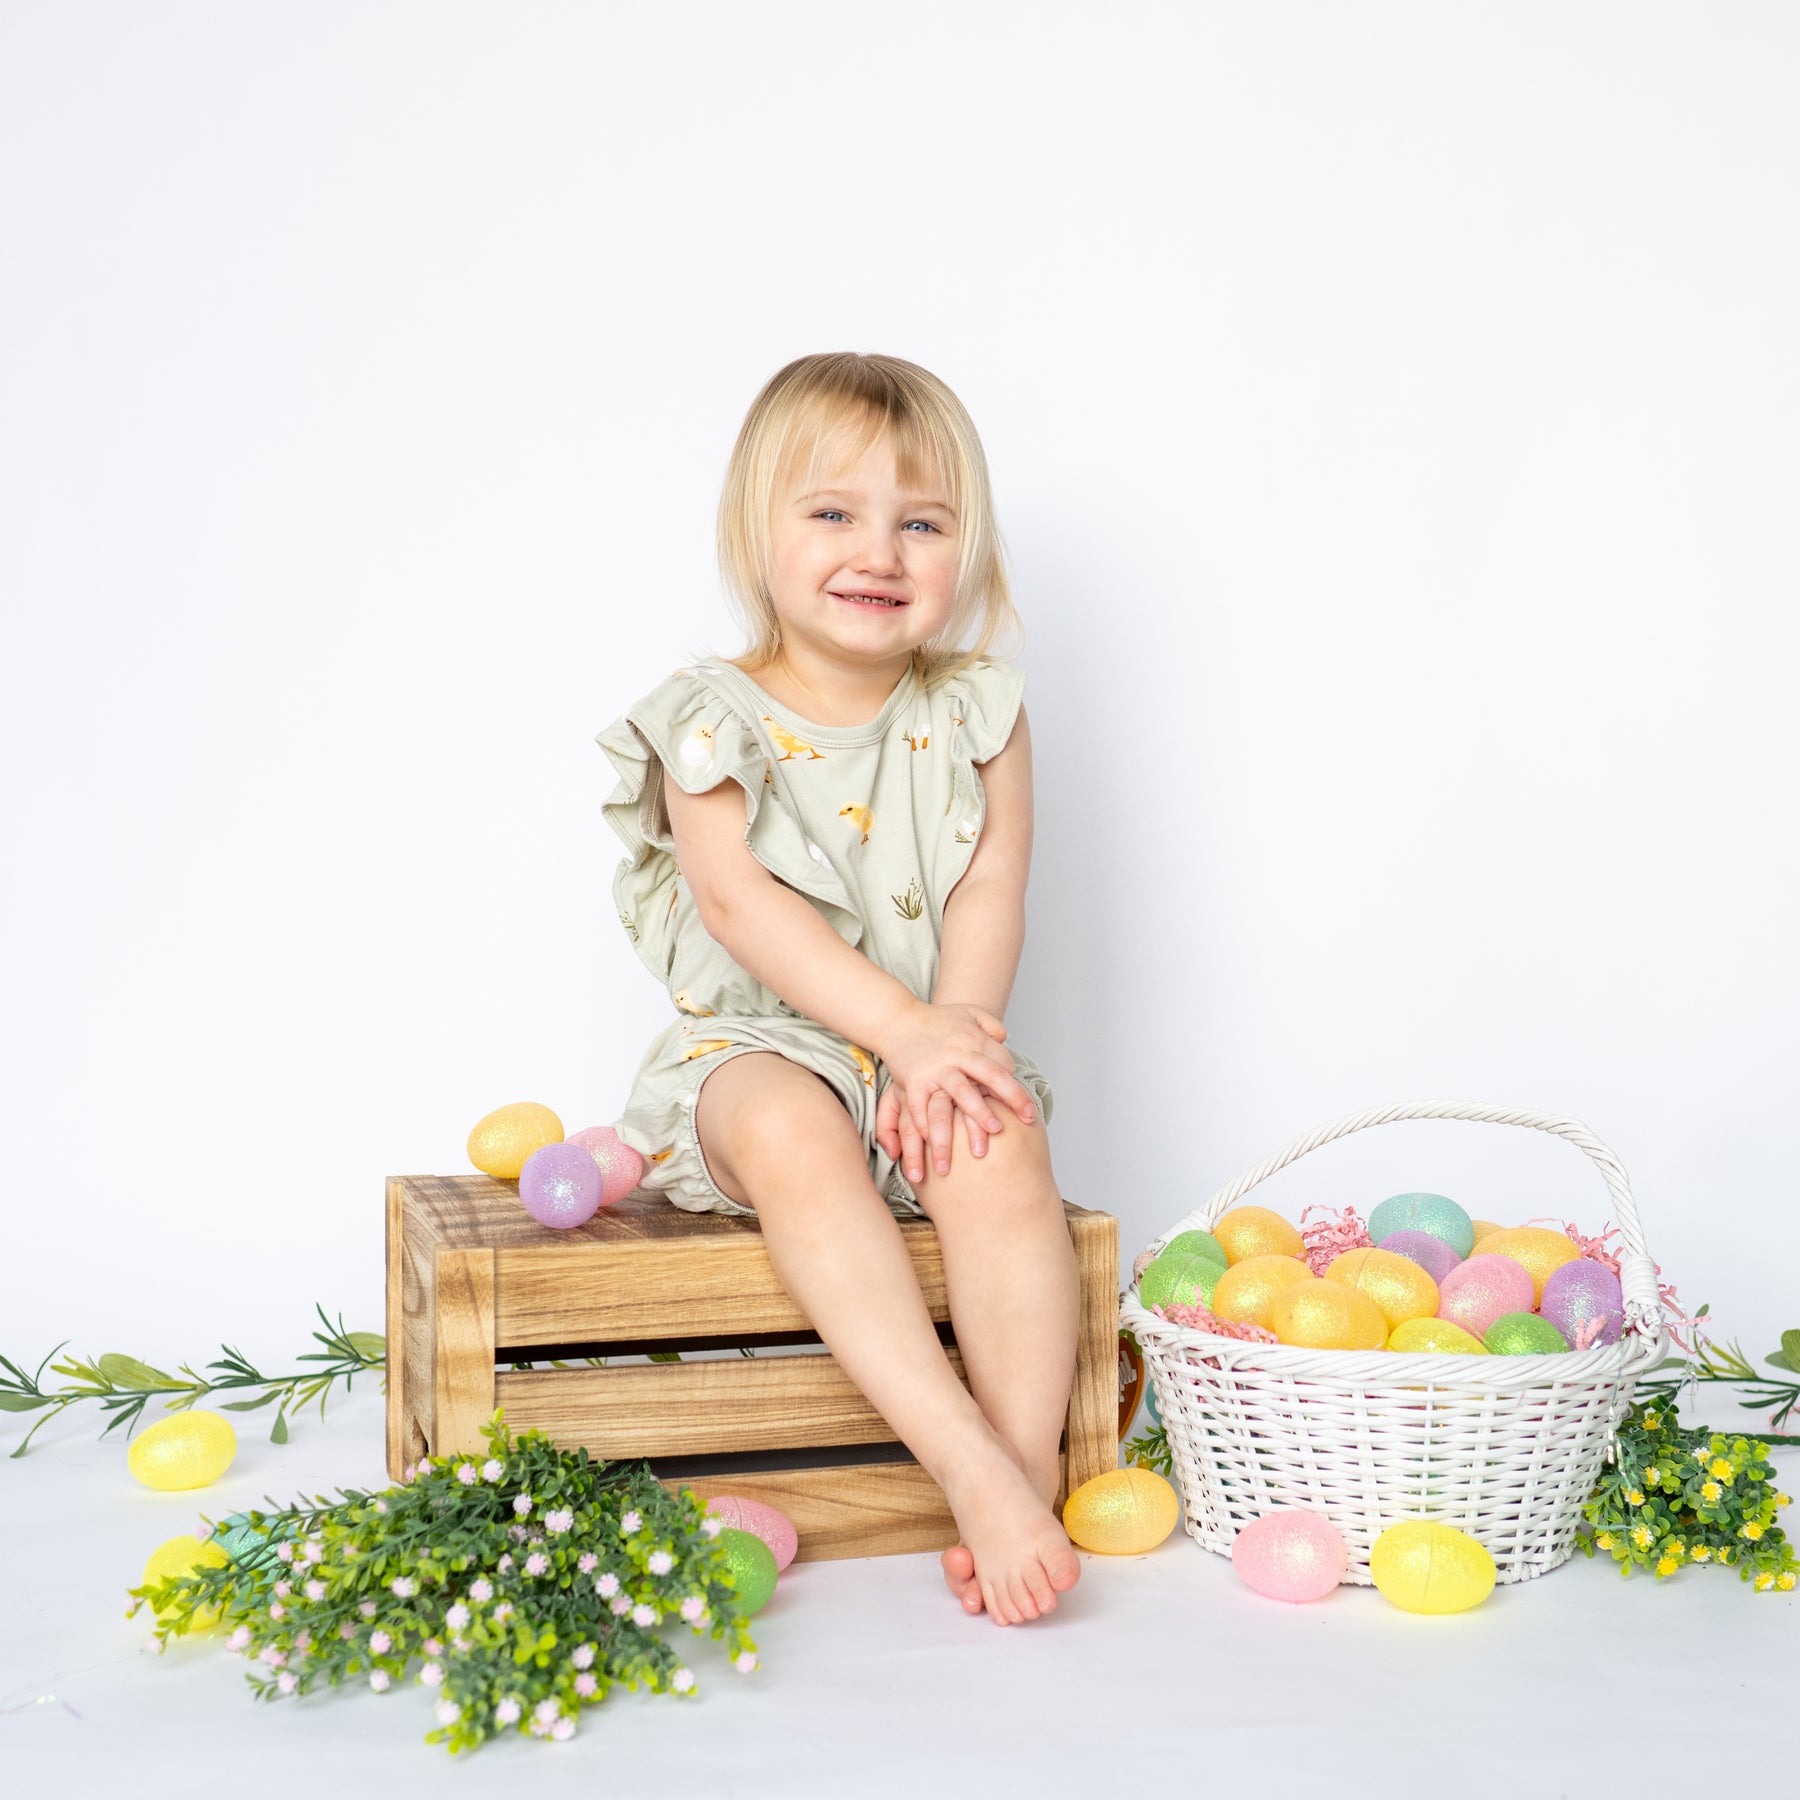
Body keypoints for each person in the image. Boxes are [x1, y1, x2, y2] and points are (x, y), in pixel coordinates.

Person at [595, 351, 1080, 1626]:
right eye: (833, 513)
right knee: (790, 1124)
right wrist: (898, 1032)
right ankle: (966, 1458)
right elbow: (741, 910)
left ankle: (1018, 1476)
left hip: (930, 1038)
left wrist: (955, 1042)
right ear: (756, 533)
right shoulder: (711, 720)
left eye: (922, 523)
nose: (880, 550)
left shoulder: (979, 710)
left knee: (997, 1140)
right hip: (762, 1047)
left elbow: (990, 887)